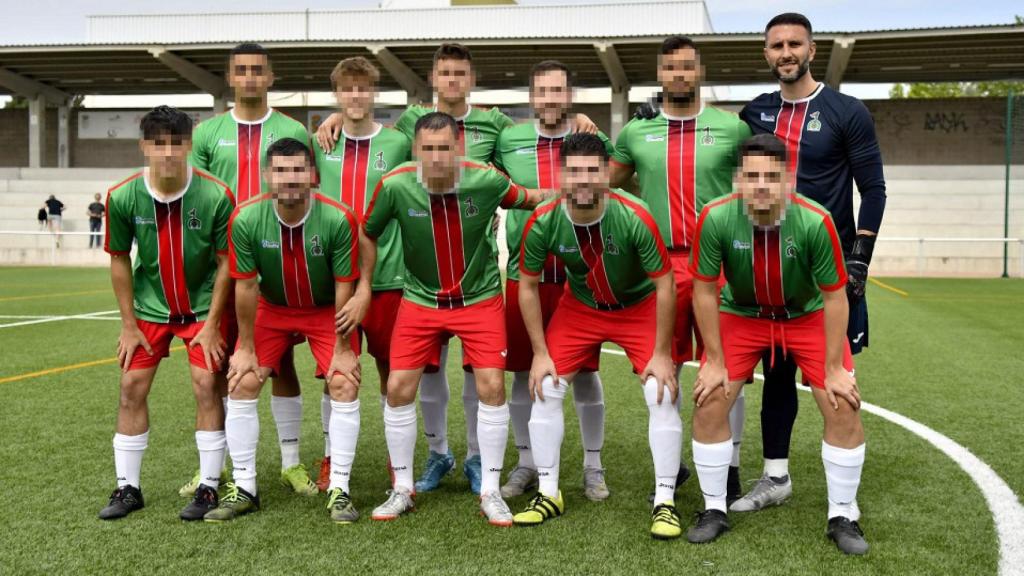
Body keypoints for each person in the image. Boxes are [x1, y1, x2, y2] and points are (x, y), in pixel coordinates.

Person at [318, 45, 598, 496]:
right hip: (418, 279)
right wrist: (336, 118)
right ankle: (436, 453)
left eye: (459, 73)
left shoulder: (499, 127)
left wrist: (579, 121)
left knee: (479, 375)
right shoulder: (409, 124)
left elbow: (531, 162)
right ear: (433, 78)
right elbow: (369, 124)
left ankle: (473, 457)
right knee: (424, 373)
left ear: (471, 79)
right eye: (444, 73)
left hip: (477, 279)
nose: (451, 80)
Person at [359, 112, 547, 526]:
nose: (437, 157)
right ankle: (402, 488)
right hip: (420, 300)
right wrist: (363, 286)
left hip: (478, 299)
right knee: (397, 386)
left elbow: (531, 198)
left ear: (458, 148)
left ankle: (491, 492)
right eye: (428, 149)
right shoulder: (394, 186)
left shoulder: (487, 180)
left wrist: (573, 191)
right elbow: (367, 231)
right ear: (415, 150)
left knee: (492, 385)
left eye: (445, 148)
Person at [732, 13, 886, 512]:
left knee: (834, 381)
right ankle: (775, 477)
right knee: (775, 375)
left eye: (794, 43)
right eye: (776, 45)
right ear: (766, 54)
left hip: (828, 274)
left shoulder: (846, 111)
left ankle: (843, 503)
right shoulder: (753, 113)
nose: (785, 52)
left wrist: (859, 258)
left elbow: (874, 190)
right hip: (769, 272)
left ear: (812, 49)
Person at [687, 134, 867, 555]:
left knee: (842, 402)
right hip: (744, 315)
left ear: (788, 179)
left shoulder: (814, 221)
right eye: (752, 177)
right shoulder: (714, 218)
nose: (762, 185)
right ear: (738, 180)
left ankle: (843, 513)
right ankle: (714, 508)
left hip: (805, 315)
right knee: (710, 397)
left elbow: (834, 295)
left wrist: (835, 368)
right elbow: (704, 291)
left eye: (772, 176)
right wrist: (713, 359)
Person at [513, 133, 682, 539]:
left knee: (660, 389)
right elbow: (527, 286)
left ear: (607, 173)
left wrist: (661, 353)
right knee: (545, 386)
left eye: (592, 170)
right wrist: (539, 352)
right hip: (582, 308)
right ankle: (550, 493)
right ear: (562, 174)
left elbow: (665, 285)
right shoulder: (544, 220)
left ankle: (665, 501)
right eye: (575, 172)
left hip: (637, 306)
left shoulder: (635, 215)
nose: (584, 180)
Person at [611, 35, 751, 502]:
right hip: (660, 268)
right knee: (663, 368)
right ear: (660, 73)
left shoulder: (731, 128)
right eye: (670, 67)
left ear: (700, 71)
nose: (679, 74)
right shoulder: (635, 131)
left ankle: (729, 467)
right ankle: (671, 470)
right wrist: (591, 132)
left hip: (719, 264)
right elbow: (601, 180)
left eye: (687, 66)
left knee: (727, 367)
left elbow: (756, 185)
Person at [204, 138, 362, 523]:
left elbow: (345, 286)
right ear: (266, 176)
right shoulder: (244, 218)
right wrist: (244, 345)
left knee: (343, 382)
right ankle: (245, 487)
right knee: (241, 380)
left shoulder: (339, 218)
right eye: (281, 170)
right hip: (272, 309)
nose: (290, 179)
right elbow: (244, 286)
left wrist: (343, 348)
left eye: (297, 170)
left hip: (326, 310)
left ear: (313, 175)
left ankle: (339, 489)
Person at [187, 42, 318, 498]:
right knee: (224, 368)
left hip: (282, 260)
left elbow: (308, 180)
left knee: (281, 364)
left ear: (270, 77)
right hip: (226, 268)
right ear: (229, 76)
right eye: (240, 70)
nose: (248, 77)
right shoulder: (207, 133)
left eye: (256, 70)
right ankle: (215, 470)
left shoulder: (292, 129)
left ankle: (290, 464)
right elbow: (196, 196)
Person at [98, 105, 234, 521]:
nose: (169, 152)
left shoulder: (215, 194)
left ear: (189, 145)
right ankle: (127, 488)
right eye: (160, 144)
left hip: (201, 309)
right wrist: (127, 324)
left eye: (177, 143)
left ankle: (209, 487)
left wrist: (212, 326)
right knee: (131, 387)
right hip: (149, 310)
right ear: (145, 146)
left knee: (207, 385)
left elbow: (228, 261)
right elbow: (119, 258)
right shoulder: (123, 196)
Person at [493, 60, 612, 501]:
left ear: (570, 95)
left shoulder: (588, 137)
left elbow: (623, 171)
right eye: (542, 90)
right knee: (524, 371)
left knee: (584, 375)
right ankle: (527, 462)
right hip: (525, 275)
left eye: (558, 90)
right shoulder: (508, 138)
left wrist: (599, 131)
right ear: (531, 97)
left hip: (581, 277)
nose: (550, 99)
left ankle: (593, 466)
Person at [313, 56, 412, 491]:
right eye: (347, 89)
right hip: (336, 280)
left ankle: (398, 463)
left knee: (393, 374)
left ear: (374, 93)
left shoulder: (399, 143)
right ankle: (331, 458)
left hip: (389, 277)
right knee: (335, 374)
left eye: (363, 88)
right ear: (337, 94)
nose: (355, 96)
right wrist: (329, 121)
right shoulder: (319, 144)